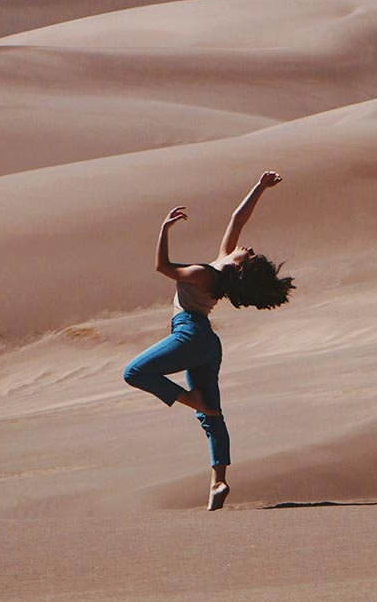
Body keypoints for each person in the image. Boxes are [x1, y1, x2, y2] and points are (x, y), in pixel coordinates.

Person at [123, 171, 295, 510]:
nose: (250, 249)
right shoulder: (221, 266)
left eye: (251, 255)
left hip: (188, 334)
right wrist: (260, 187)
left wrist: (163, 229)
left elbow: (162, 267)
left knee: (135, 372)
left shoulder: (205, 274)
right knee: (214, 414)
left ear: (240, 266)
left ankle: (192, 402)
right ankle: (218, 480)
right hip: (207, 344)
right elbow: (238, 218)